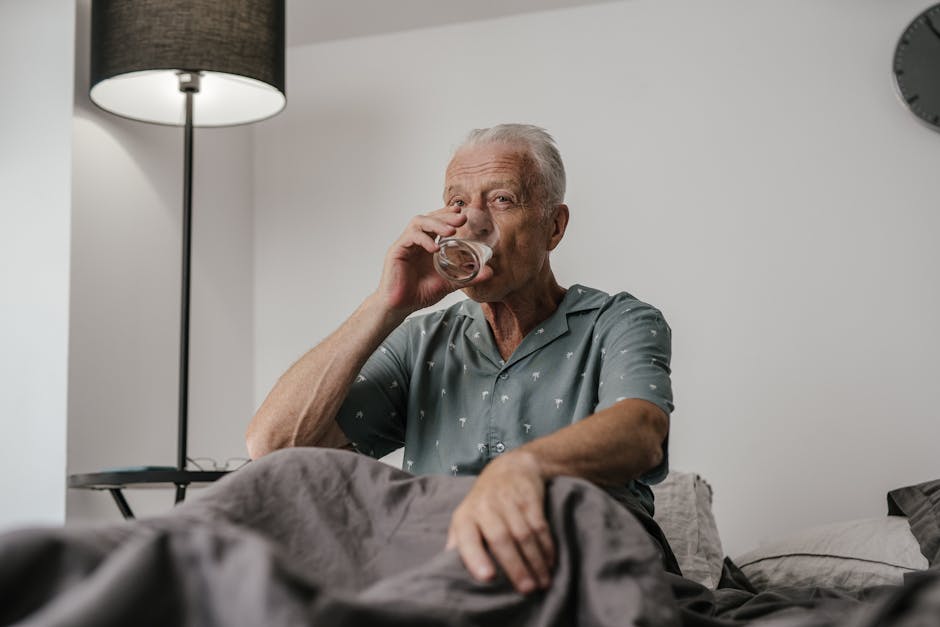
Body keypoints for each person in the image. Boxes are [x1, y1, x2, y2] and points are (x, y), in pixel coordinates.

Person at [245, 123, 674, 596]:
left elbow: (641, 432)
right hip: (445, 577)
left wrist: (523, 468)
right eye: (457, 203)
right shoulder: (422, 341)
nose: (473, 223)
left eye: (502, 200)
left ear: (553, 226)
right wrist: (386, 304)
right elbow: (274, 445)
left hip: (585, 571)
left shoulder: (618, 321)